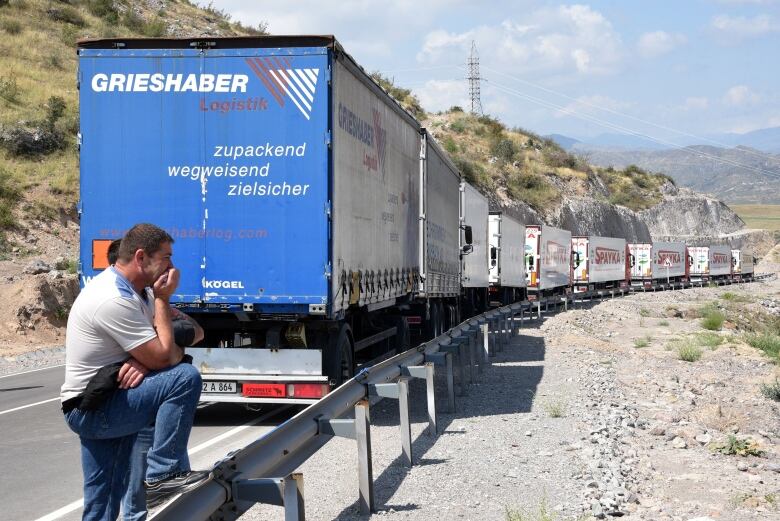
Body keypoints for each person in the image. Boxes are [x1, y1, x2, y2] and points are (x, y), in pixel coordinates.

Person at [61, 224, 209, 521]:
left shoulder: (138, 293)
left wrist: (146, 359)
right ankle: (163, 474)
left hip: (103, 401)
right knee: (184, 378)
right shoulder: (114, 298)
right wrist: (164, 303)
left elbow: (195, 333)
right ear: (141, 257)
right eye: (166, 257)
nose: (172, 266)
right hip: (95, 408)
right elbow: (166, 359)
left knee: (102, 500)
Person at [104, 239, 205, 521]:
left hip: (153, 408)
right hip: (126, 405)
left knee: (163, 484)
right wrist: (154, 353)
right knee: (125, 494)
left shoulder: (149, 299)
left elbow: (196, 331)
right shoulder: (115, 302)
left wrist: (153, 355)